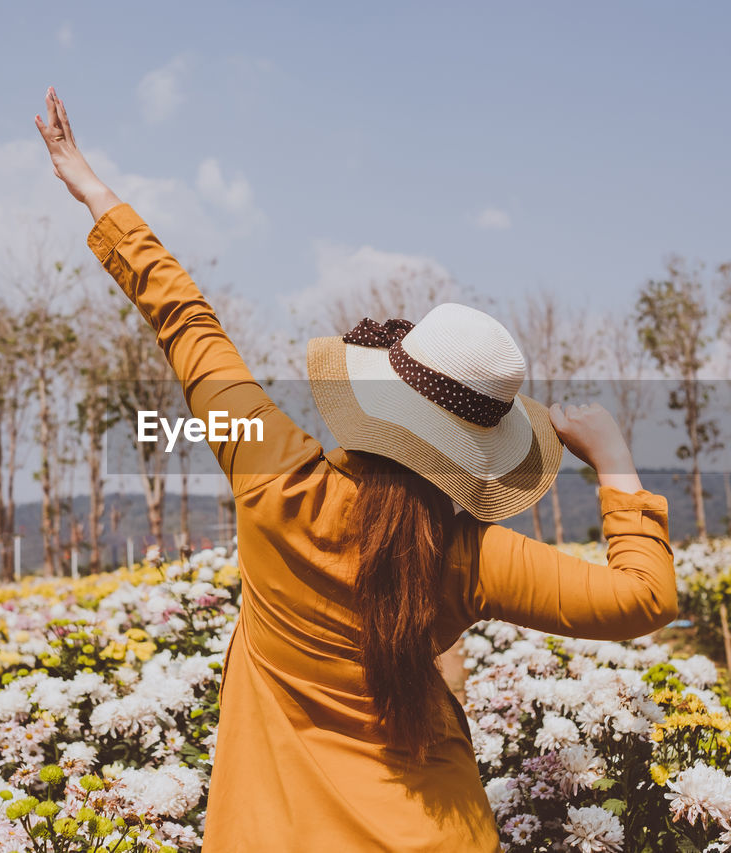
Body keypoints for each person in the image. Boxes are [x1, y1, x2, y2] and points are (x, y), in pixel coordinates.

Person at [36, 86, 677, 852]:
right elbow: (645, 596)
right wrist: (614, 462)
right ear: (480, 450)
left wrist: (90, 187)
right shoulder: (470, 557)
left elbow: (187, 321)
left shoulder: (273, 474)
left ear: (377, 392)